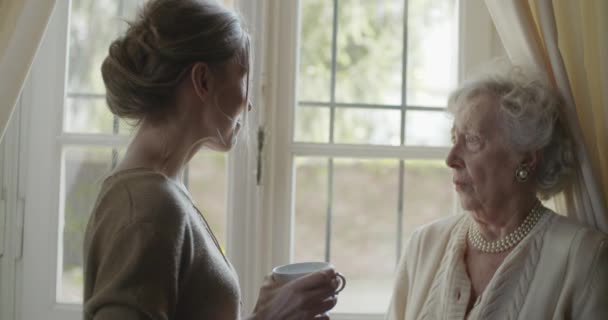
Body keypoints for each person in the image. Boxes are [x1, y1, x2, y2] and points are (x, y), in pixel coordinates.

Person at [82, 0, 340, 319]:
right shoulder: (147, 206)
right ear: (203, 80)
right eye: (243, 75)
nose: (249, 106)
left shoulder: (162, 194)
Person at [386, 71, 608, 319]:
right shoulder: (423, 245)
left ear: (525, 157)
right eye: (453, 138)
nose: (450, 159)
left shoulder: (584, 258)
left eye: (472, 140)